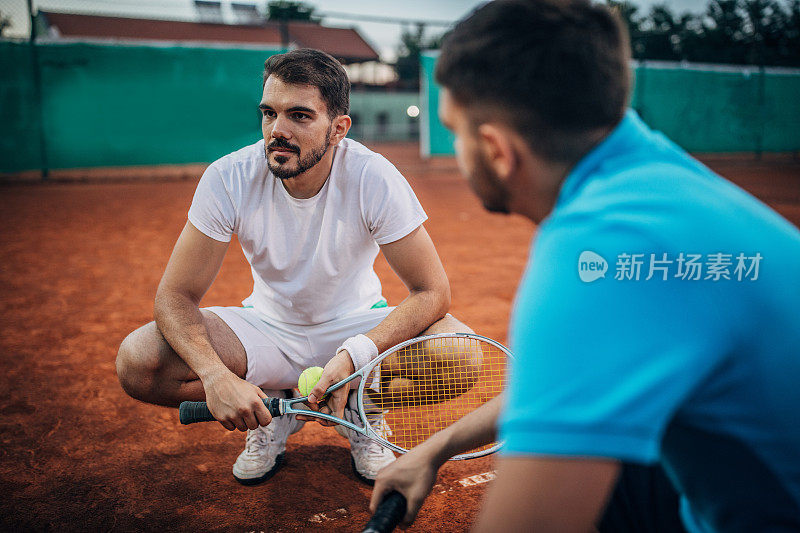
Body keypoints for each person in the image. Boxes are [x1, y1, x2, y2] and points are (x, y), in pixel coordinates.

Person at [370, 1, 800, 531]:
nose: (457, 151)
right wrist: (434, 449)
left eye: (454, 131)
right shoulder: (651, 175)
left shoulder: (598, 252)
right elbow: (569, 380)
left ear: (497, 150)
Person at [115, 48, 472, 486]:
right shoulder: (228, 177)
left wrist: (357, 354)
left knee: (460, 354)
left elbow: (432, 291)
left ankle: (360, 405)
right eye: (269, 113)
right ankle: (273, 411)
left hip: (355, 326)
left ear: (338, 128)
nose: (277, 130)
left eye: (300, 116)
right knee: (139, 362)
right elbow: (175, 296)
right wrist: (215, 376)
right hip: (266, 330)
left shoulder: (374, 177)